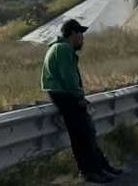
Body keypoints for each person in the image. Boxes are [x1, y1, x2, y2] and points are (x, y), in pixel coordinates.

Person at [41, 19, 122, 184]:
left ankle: (101, 167)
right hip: (65, 95)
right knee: (82, 134)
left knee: (86, 132)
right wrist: (79, 97)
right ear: (73, 34)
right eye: (80, 34)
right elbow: (69, 78)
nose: (82, 39)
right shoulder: (64, 49)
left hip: (61, 94)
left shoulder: (57, 48)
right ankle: (90, 171)